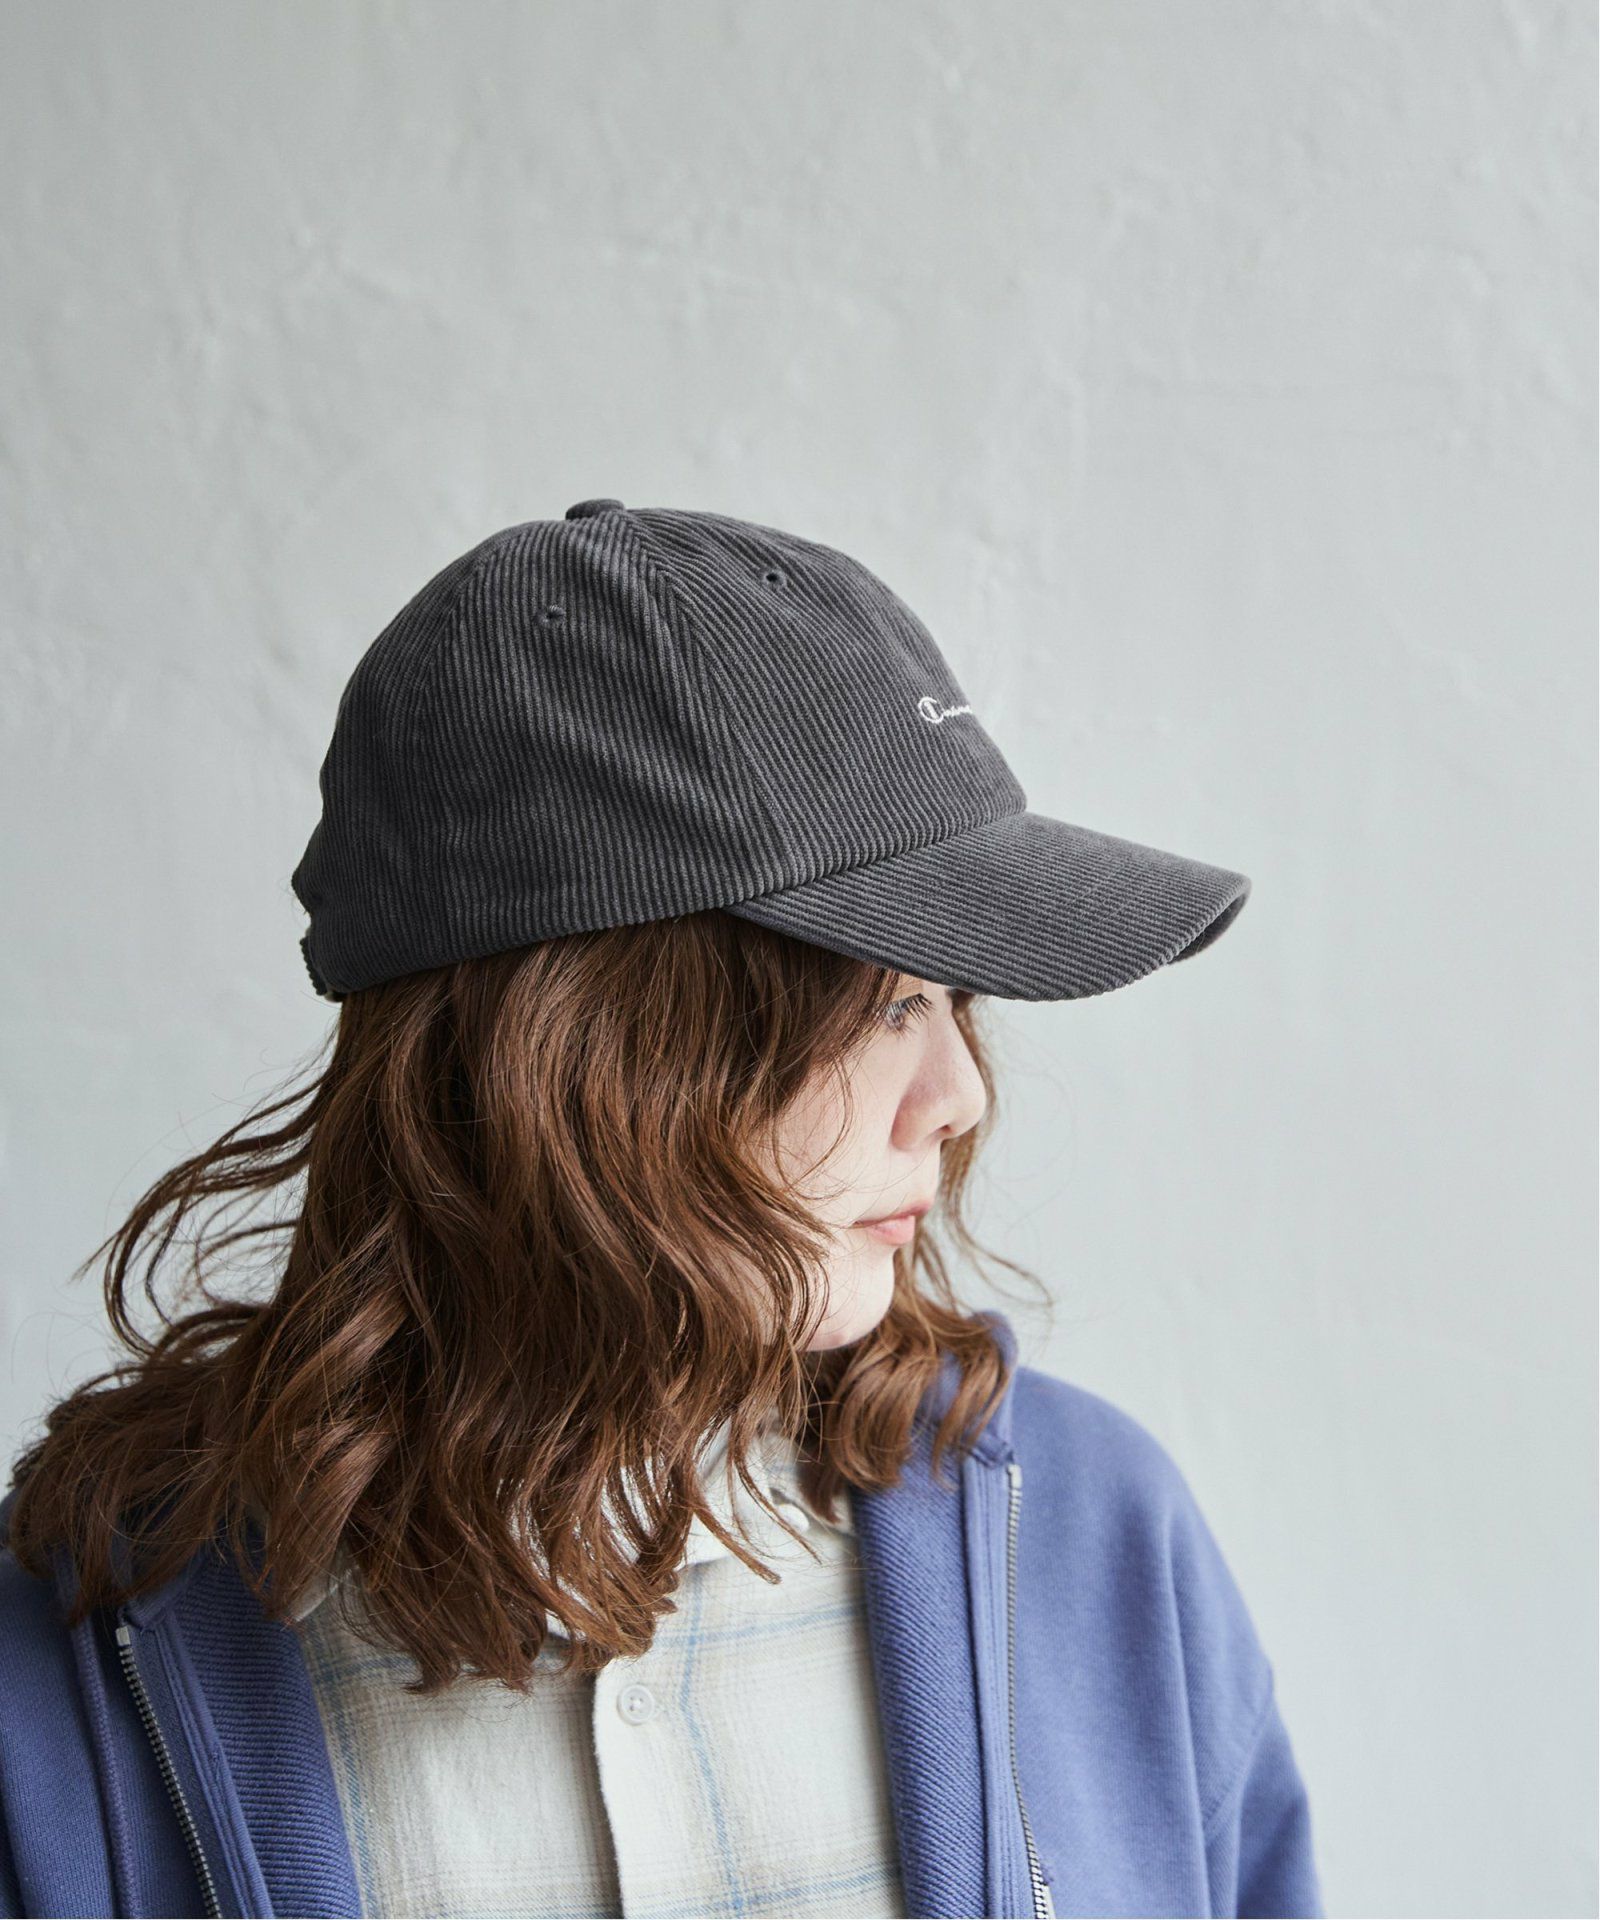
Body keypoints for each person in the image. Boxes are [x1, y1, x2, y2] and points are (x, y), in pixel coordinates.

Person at [0, 498, 1323, 1918]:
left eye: (955, 999)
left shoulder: (1091, 1539)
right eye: (886, 1003)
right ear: (584, 1056)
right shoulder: (75, 1659)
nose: (956, 1096)